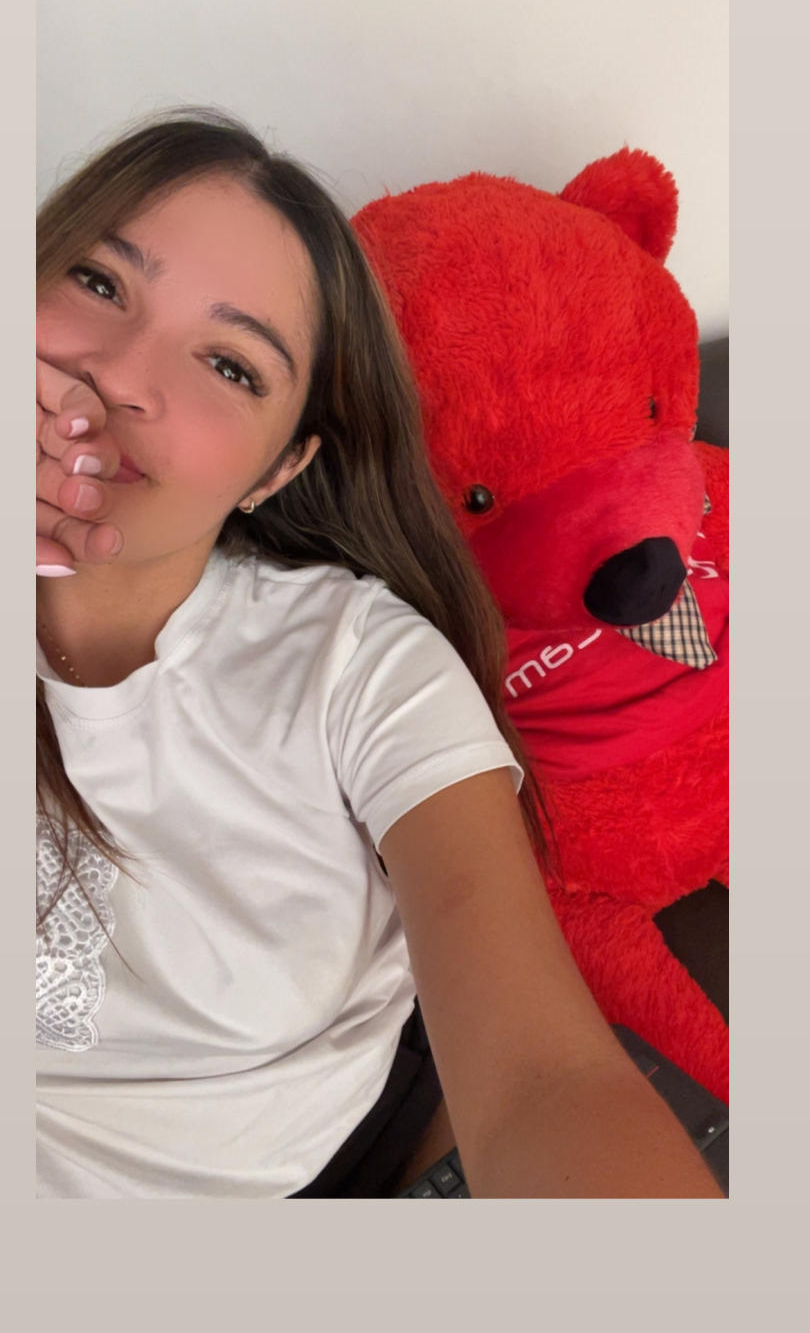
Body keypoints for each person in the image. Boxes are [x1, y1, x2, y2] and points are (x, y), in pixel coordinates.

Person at [36, 109, 723, 1199]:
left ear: (278, 470)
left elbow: (546, 1081)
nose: (123, 376)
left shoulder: (360, 664)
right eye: (99, 283)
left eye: (230, 364)